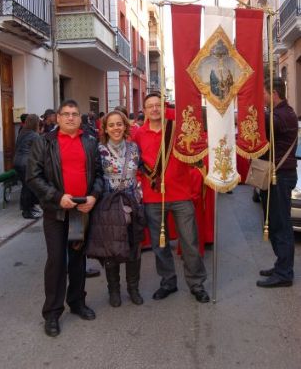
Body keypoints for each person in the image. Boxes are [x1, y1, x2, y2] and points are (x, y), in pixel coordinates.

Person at [26, 99, 103, 337]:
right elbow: (33, 176)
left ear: (80, 118)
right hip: (56, 212)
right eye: (66, 114)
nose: (70, 117)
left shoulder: (90, 143)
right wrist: (57, 197)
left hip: (82, 211)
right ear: (57, 118)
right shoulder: (44, 142)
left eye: (74, 114)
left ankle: (77, 302)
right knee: (57, 262)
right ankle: (52, 313)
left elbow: (99, 174)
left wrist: (93, 196)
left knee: (78, 260)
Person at [134, 92, 210, 303]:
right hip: (153, 197)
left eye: (158, 105)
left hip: (181, 195)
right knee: (160, 245)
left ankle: (197, 284)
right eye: (150, 106)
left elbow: (194, 151)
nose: (155, 109)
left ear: (163, 106)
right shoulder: (138, 135)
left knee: (190, 241)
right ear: (145, 110)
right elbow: (135, 164)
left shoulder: (177, 129)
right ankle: (168, 281)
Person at [87, 110, 144, 307]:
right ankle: (113, 290)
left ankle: (133, 288)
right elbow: (93, 178)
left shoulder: (134, 148)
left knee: (134, 248)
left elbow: (144, 170)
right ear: (105, 128)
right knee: (111, 249)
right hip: (108, 205)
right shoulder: (99, 150)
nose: (116, 128)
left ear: (125, 126)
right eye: (111, 125)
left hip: (132, 203)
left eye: (119, 124)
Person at [256, 77, 298, 288]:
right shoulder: (285, 112)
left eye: (262, 94)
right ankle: (281, 265)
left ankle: (284, 273)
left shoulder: (278, 116)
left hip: (280, 176)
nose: (261, 98)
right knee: (274, 223)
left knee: (280, 225)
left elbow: (256, 122)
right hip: (279, 175)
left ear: (273, 93)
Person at [14, 114, 42, 219]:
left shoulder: (23, 132)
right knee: (28, 187)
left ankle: (29, 207)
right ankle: (27, 211)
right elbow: (39, 150)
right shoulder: (34, 135)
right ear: (36, 123)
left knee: (26, 186)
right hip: (26, 163)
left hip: (17, 162)